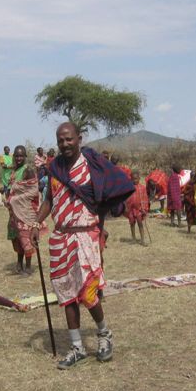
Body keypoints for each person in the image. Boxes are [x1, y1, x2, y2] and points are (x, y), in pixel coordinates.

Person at [30, 122, 134, 369]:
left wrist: (103, 212)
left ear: (79, 138)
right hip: (61, 237)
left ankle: (104, 334)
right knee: (66, 294)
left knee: (88, 292)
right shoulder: (55, 168)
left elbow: (116, 186)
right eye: (60, 140)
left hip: (86, 236)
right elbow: (50, 199)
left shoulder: (92, 164)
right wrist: (36, 223)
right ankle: (77, 347)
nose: (65, 144)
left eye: (69, 139)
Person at [7, 167, 46, 275]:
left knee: (27, 242)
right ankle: (19, 264)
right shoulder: (14, 175)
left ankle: (28, 267)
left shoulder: (33, 186)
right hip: (16, 217)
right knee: (19, 242)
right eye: (17, 156)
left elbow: (33, 195)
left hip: (29, 218)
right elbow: (10, 194)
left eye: (21, 156)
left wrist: (14, 198)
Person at [125, 170, 149, 245]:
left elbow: (145, 198)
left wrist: (144, 209)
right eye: (133, 179)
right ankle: (133, 238)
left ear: (139, 178)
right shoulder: (129, 188)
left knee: (140, 223)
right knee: (132, 223)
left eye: (136, 179)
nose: (135, 180)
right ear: (131, 179)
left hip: (139, 209)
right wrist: (126, 207)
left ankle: (142, 240)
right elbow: (126, 198)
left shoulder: (143, 188)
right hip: (131, 209)